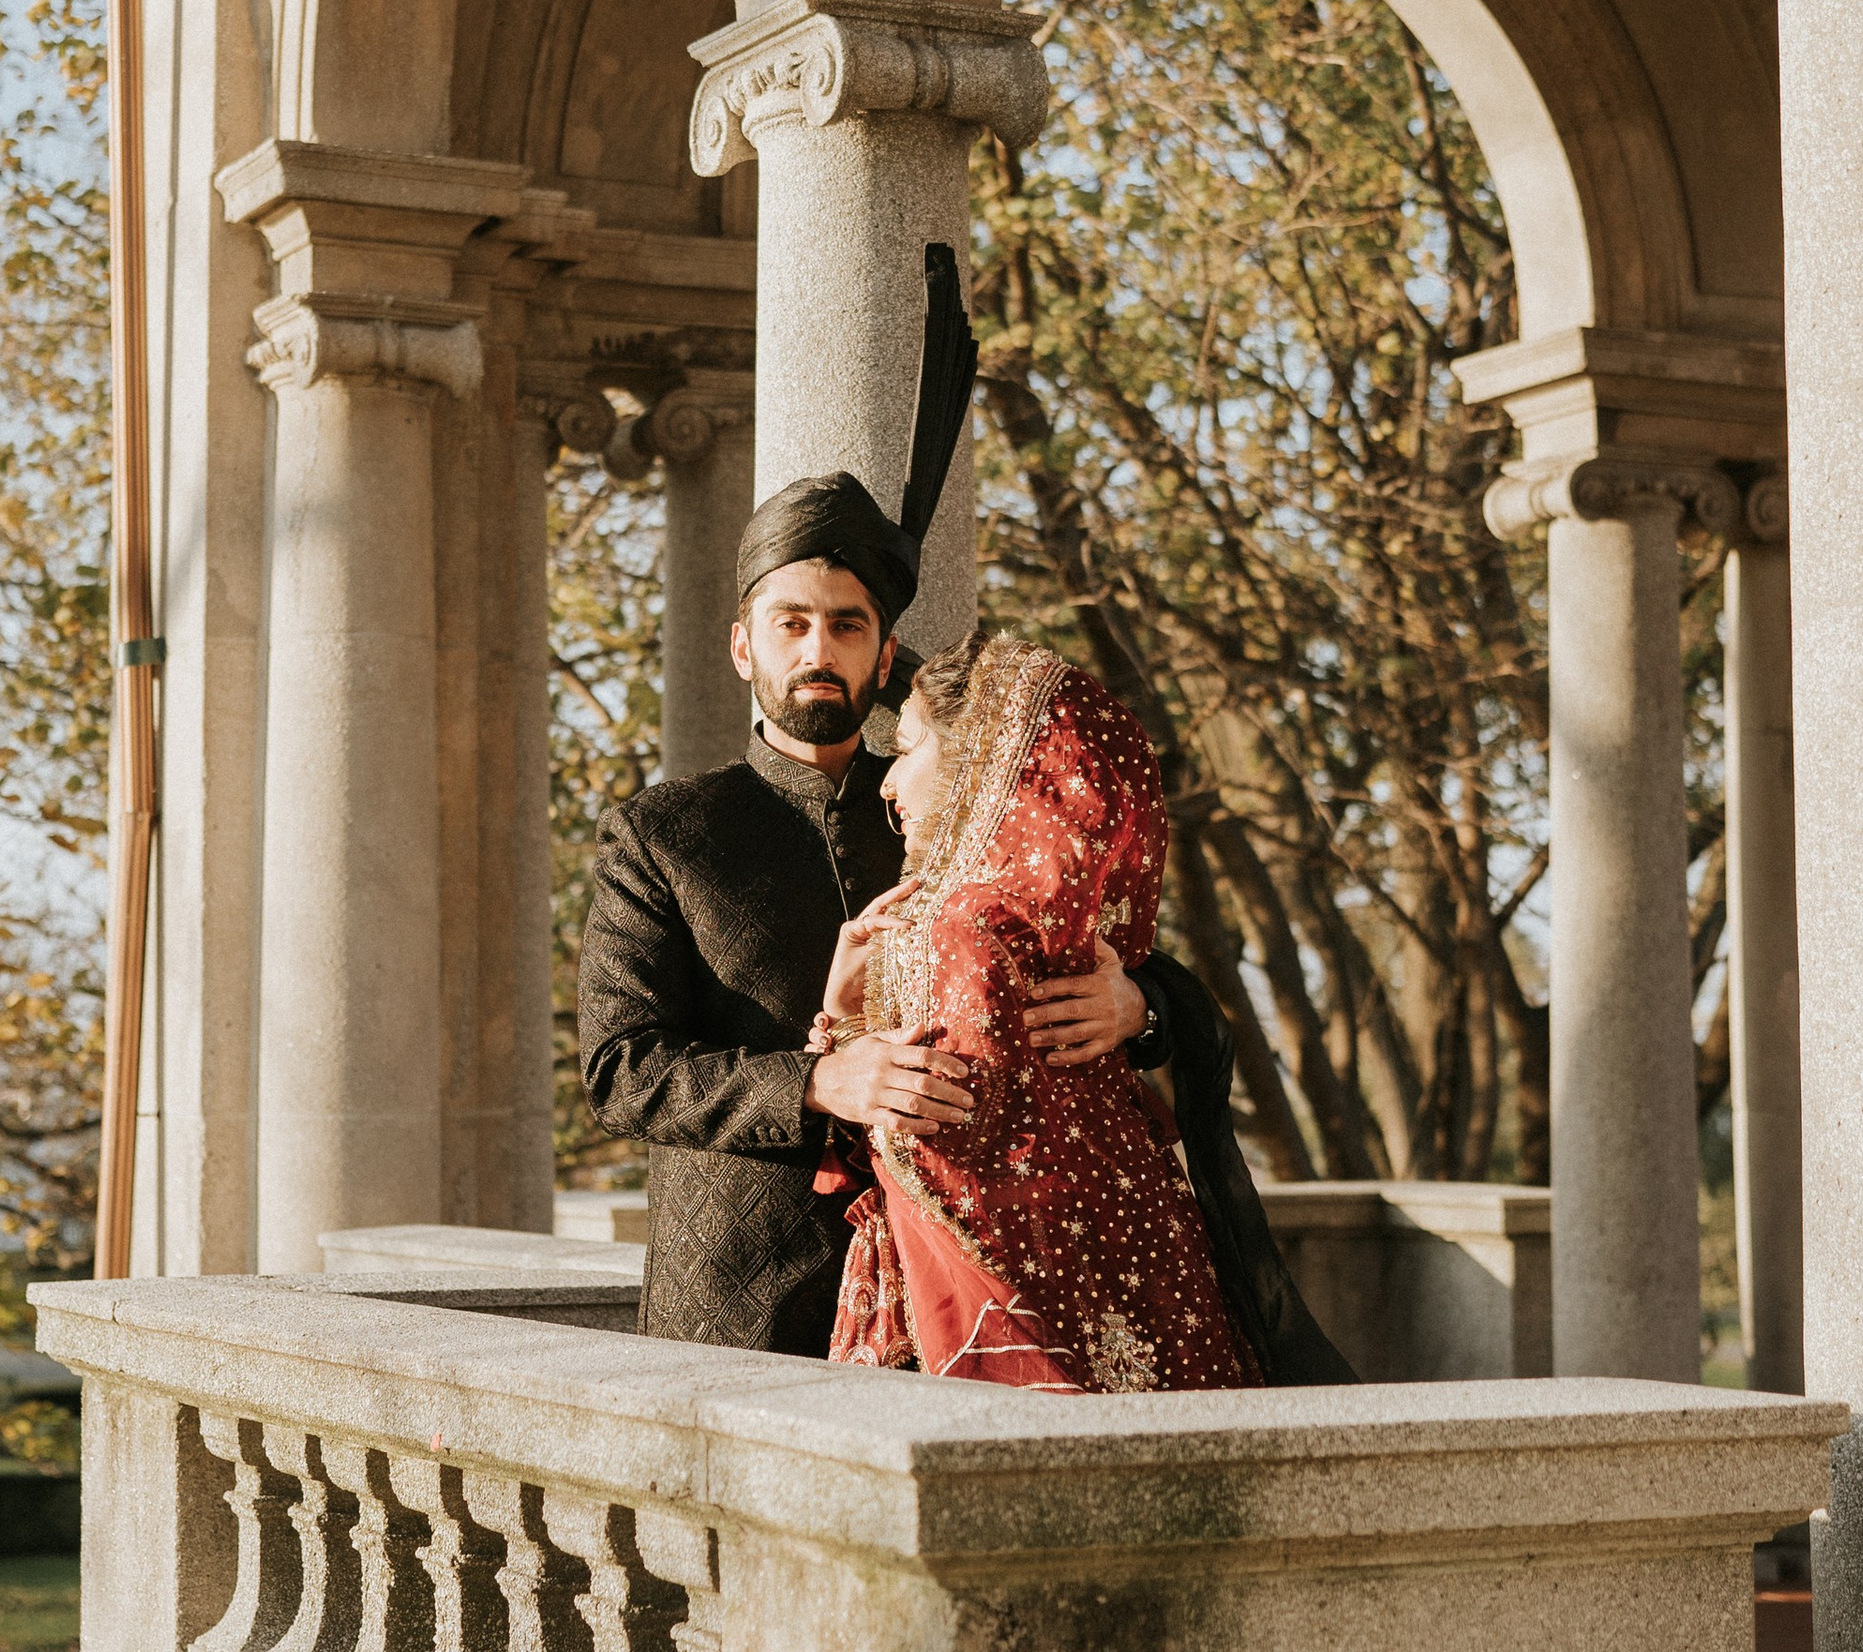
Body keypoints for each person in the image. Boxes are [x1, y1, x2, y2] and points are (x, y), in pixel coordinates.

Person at [576, 253, 1174, 1352]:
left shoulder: (968, 814)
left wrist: (1142, 1007)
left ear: (882, 650)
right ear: (743, 647)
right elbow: (621, 1072)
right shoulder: (662, 834)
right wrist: (821, 1082)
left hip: (956, 1300)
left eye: (846, 625)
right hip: (742, 1304)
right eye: (792, 624)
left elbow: (1120, 964)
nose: (819, 649)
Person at [824, 627, 1354, 1393]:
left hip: (994, 1318)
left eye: (906, 749)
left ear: (981, 761)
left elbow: (927, 1142)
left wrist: (842, 1022)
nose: (887, 782)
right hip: (1165, 1283)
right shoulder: (1060, 930)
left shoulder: (951, 929)